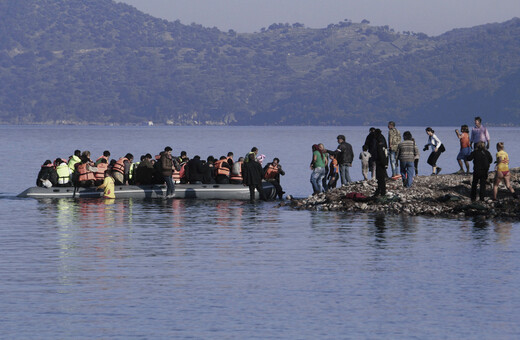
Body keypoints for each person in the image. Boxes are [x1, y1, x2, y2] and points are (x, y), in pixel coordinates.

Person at [373, 129, 388, 196]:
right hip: (382, 161)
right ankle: (380, 191)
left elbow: (381, 153)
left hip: (380, 162)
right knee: (380, 178)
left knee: (380, 178)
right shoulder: (382, 139)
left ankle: (382, 192)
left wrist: (384, 163)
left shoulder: (380, 142)